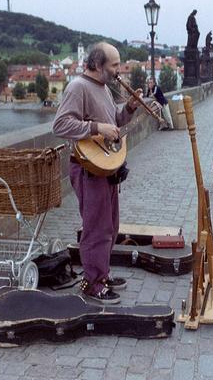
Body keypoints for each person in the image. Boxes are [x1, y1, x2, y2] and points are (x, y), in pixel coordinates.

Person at [53, 42, 143, 304]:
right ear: (96, 64)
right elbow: (60, 124)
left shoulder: (103, 88)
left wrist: (129, 108)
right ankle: (92, 284)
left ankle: (102, 274)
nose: (118, 70)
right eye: (114, 65)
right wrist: (96, 128)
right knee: (96, 228)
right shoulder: (78, 87)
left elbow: (113, 121)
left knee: (111, 225)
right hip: (87, 168)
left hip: (105, 166)